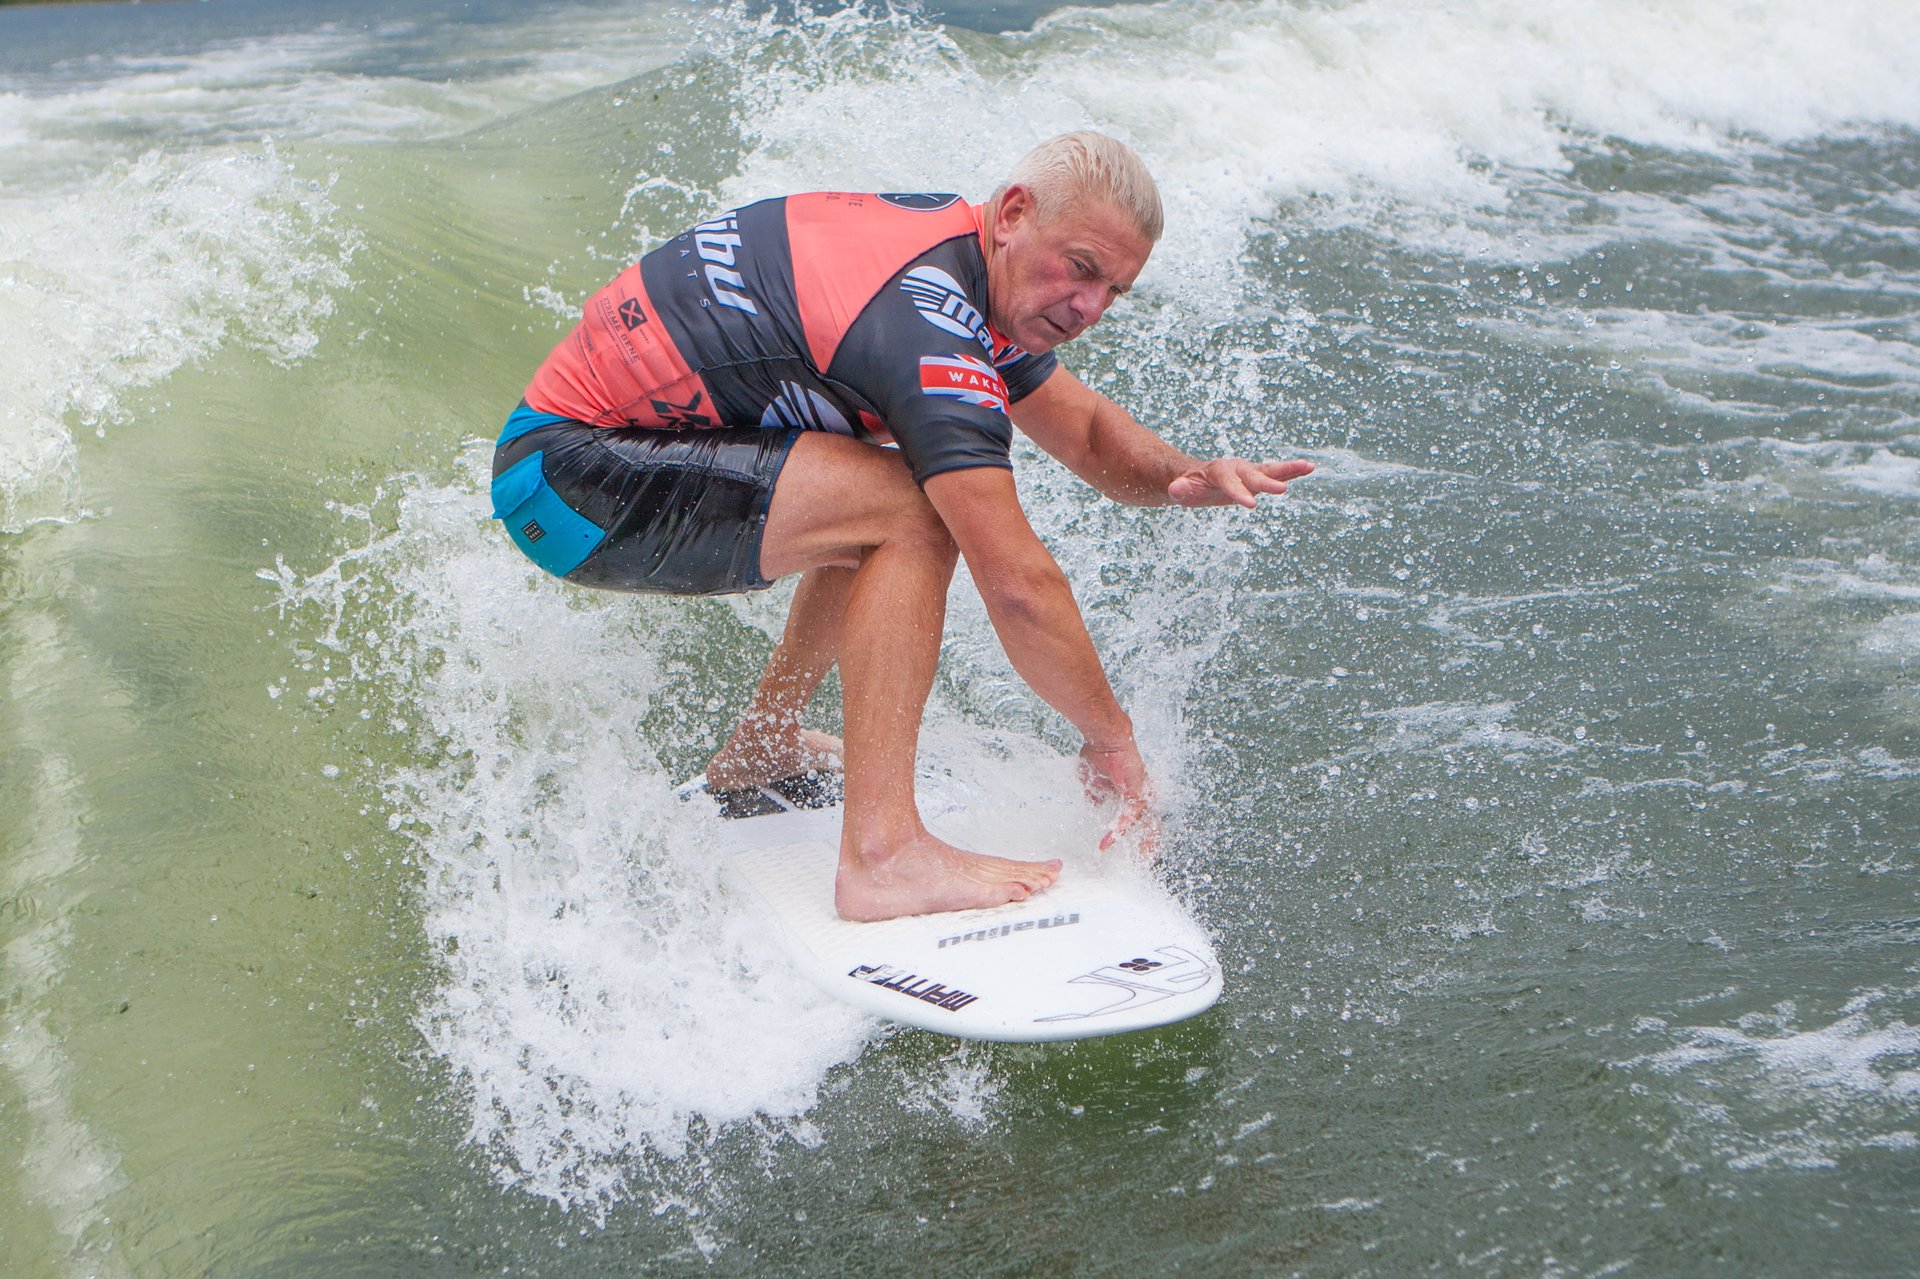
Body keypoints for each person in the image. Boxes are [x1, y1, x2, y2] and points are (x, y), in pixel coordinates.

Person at [491, 132, 1313, 922]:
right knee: (915, 512)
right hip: (568, 483)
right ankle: (883, 855)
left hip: (588, 459)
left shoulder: (962, 262)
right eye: (1083, 269)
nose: (1089, 306)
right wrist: (1112, 740)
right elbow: (1018, 584)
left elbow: (1088, 430)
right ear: (1016, 212)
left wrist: (1186, 476)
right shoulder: (923, 322)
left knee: (871, 492)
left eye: (1113, 291)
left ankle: (762, 748)